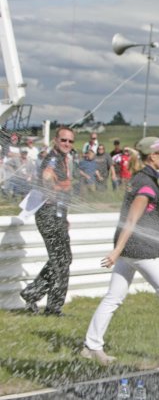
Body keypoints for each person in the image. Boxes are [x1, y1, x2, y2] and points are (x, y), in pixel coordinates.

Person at [81, 137, 159, 365]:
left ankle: (91, 346)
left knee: (114, 297)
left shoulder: (146, 179)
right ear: (152, 156)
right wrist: (116, 251)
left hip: (130, 251)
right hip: (138, 251)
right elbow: (131, 221)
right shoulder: (146, 183)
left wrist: (119, 251)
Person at [20, 126, 76, 316]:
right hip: (49, 216)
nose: (67, 144)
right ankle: (52, 308)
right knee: (62, 259)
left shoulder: (61, 158)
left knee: (62, 258)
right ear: (55, 140)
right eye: (63, 140)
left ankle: (33, 294)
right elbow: (46, 178)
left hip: (56, 215)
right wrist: (59, 187)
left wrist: (64, 216)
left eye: (70, 141)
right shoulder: (53, 158)